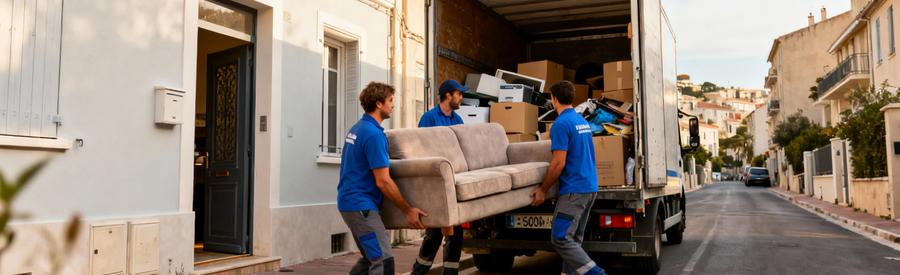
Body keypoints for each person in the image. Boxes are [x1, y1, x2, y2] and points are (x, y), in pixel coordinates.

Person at [338, 82, 428, 275]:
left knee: (370, 260)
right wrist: (408, 209)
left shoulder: (358, 128)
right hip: (361, 207)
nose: (393, 105)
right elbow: (383, 181)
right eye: (390, 100)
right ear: (379, 104)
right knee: (384, 261)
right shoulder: (373, 135)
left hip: (351, 203)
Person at [531, 81, 606, 275]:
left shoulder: (561, 124)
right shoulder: (582, 122)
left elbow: (558, 163)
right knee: (573, 242)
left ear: (554, 99)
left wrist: (542, 189)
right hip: (589, 188)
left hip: (574, 191)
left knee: (561, 238)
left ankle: (597, 274)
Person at [411, 79, 469, 275]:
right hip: (435, 182)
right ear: (448, 95)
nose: (461, 97)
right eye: (459, 93)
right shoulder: (429, 118)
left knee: (457, 232)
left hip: (454, 180)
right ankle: (419, 271)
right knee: (435, 231)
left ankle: (450, 273)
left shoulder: (458, 120)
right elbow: (420, 150)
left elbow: (462, 150)